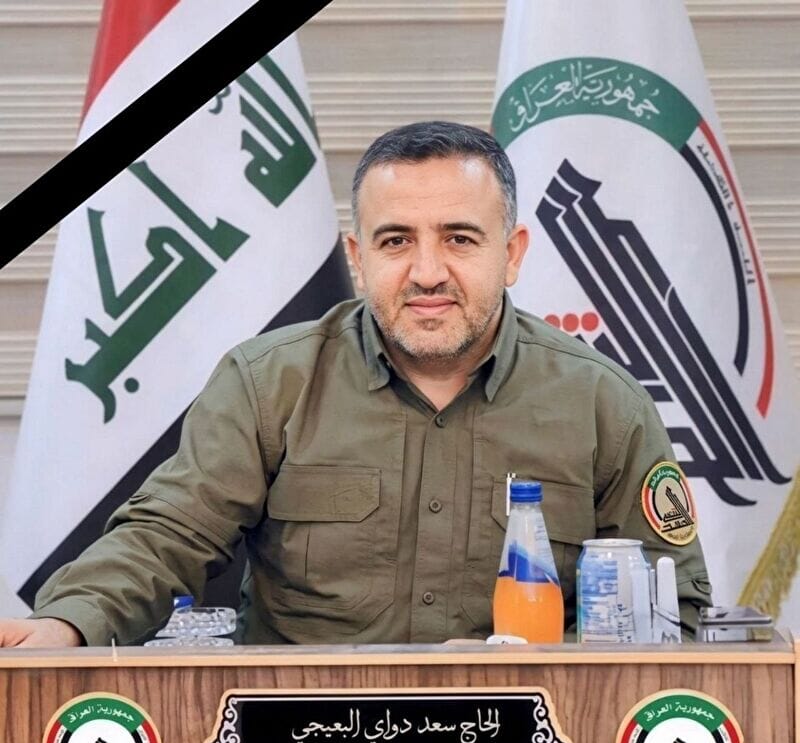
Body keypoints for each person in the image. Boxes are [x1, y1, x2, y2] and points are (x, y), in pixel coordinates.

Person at [0, 121, 711, 648]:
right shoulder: (269, 384)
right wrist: (69, 623)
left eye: (460, 239)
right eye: (396, 240)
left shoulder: (603, 404)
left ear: (512, 253)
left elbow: (669, 607)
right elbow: (168, 536)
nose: (427, 272)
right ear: (358, 258)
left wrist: (543, 672)